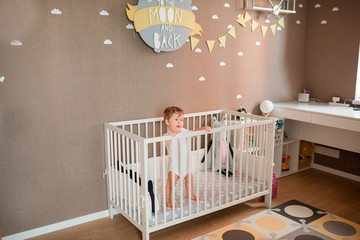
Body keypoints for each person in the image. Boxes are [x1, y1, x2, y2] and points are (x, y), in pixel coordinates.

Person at [163, 106, 211, 208]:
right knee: (171, 184)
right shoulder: (167, 135)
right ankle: (168, 200)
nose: (179, 122)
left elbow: (193, 134)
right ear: (167, 122)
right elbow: (164, 144)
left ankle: (190, 194)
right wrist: (170, 136)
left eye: (181, 120)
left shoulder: (184, 132)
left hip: (186, 163)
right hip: (175, 165)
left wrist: (203, 129)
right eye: (176, 120)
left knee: (189, 180)